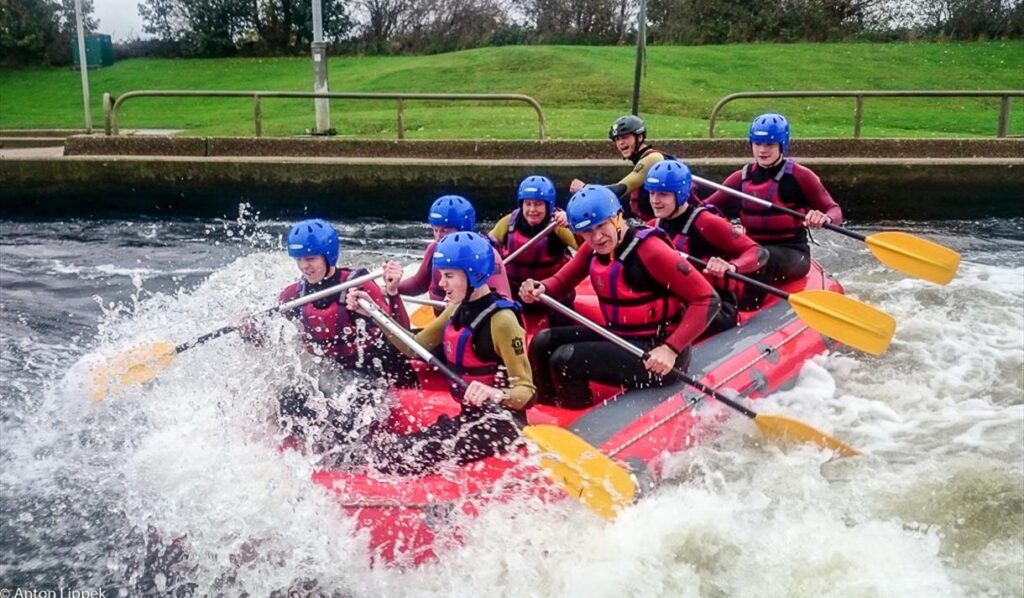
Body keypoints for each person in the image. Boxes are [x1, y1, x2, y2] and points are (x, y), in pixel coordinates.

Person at [348, 231, 534, 475]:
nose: (441, 284)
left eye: (449, 276)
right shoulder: (456, 309)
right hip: (471, 419)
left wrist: (495, 393)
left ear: (474, 275)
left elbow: (527, 392)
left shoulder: (503, 321)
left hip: (502, 426)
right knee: (389, 451)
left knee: (400, 458)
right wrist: (373, 313)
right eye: (441, 276)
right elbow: (411, 348)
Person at [519, 185, 720, 410]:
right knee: (541, 342)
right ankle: (546, 409)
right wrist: (538, 288)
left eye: (602, 226)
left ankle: (575, 416)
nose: (597, 237)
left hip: (658, 356)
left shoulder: (651, 250)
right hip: (621, 336)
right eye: (587, 232)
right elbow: (560, 283)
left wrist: (671, 349)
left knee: (565, 359)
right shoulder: (592, 247)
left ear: (617, 217)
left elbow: (708, 299)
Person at [242, 219, 415, 452]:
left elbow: (401, 333)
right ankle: (292, 456)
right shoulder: (293, 296)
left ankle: (348, 459)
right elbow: (267, 340)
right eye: (299, 259)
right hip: (333, 373)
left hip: (372, 372)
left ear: (328, 256)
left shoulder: (359, 285)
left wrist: (381, 300)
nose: (304, 266)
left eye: (311, 259)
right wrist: (249, 330)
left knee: (347, 417)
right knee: (287, 401)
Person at [702, 113, 843, 310]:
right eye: (757, 143)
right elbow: (704, 210)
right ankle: (713, 307)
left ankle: (747, 311)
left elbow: (834, 210)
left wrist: (824, 217)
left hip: (793, 254)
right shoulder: (739, 179)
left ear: (782, 145)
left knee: (764, 256)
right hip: (751, 250)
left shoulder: (800, 176)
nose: (762, 150)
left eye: (769, 144)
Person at [645, 160, 768, 336]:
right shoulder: (651, 227)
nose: (655, 201)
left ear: (680, 194)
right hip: (674, 302)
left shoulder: (707, 223)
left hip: (714, 308)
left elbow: (759, 252)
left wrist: (732, 266)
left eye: (663, 194)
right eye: (652, 193)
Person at [398, 194, 512, 313]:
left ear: (462, 230)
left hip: (473, 322)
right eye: (435, 230)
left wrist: (461, 304)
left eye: (444, 231)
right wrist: (392, 288)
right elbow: (418, 284)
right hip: (443, 319)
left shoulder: (485, 254)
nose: (438, 237)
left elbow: (504, 299)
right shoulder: (435, 249)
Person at [488, 175, 578, 321]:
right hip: (514, 292)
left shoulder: (557, 226)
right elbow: (486, 248)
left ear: (548, 205)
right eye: (528, 204)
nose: (532, 209)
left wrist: (573, 223)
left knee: (562, 315)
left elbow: (586, 248)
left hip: (548, 294)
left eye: (538, 204)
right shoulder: (508, 223)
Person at [569, 115, 670, 222]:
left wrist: (585, 188)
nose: (620, 143)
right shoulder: (643, 160)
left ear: (639, 137)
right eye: (617, 139)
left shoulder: (653, 158)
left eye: (625, 137)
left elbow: (620, 189)